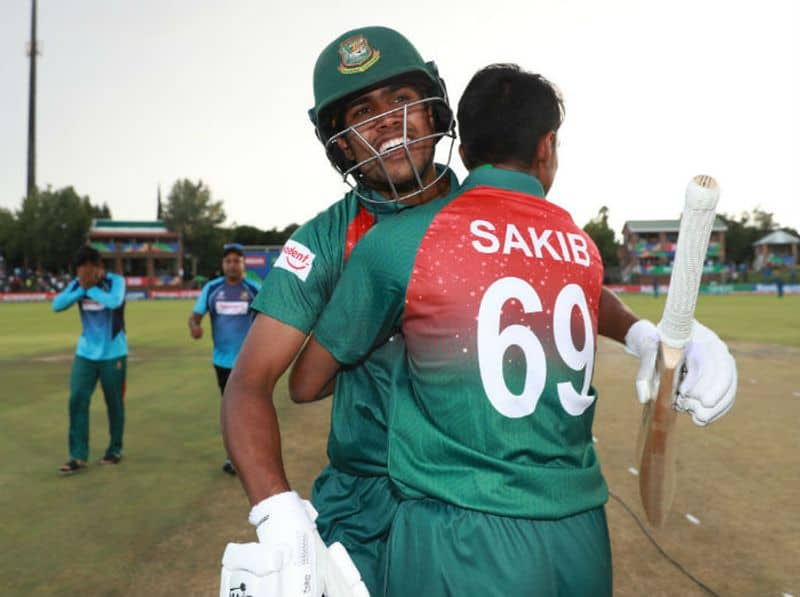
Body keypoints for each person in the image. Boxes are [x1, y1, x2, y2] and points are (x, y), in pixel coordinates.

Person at [290, 64, 738, 595]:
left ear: (462, 151)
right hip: (579, 533)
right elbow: (587, 299)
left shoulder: (402, 241)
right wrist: (644, 335)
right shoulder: (581, 248)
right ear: (547, 146)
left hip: (456, 535)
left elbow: (304, 383)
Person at [219, 26, 458, 596]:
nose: (387, 121)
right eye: (363, 111)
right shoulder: (326, 238)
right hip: (362, 500)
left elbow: (567, 274)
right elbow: (249, 383)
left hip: (469, 493)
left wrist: (645, 333)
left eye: (401, 101)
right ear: (343, 144)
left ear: (432, 112)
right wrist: (277, 511)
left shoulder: (488, 215)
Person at [53, 246, 127, 475]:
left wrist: (90, 289)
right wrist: (80, 289)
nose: (83, 274)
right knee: (77, 399)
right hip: (85, 354)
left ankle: (114, 449)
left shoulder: (116, 281)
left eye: (88, 268)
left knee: (114, 403)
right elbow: (56, 305)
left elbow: (114, 301)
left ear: (99, 267)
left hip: (113, 353)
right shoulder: (78, 284)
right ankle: (77, 455)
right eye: (80, 270)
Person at [189, 243, 261, 475]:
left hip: (249, 362)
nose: (232, 265)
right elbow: (194, 317)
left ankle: (250, 455)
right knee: (231, 410)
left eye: (236, 260)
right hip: (222, 362)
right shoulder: (212, 289)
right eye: (228, 261)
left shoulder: (254, 288)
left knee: (249, 409)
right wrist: (194, 327)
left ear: (243, 264)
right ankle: (234, 457)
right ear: (223, 265)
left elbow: (270, 318)